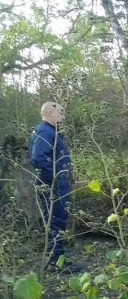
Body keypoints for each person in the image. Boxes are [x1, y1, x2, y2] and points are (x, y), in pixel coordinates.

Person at [29, 102, 81, 273]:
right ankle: (55, 263)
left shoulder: (52, 132)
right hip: (53, 186)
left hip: (58, 184)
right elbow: (38, 159)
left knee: (58, 220)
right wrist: (55, 178)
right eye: (60, 112)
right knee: (55, 221)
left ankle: (57, 259)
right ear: (50, 113)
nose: (63, 116)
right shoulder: (44, 131)